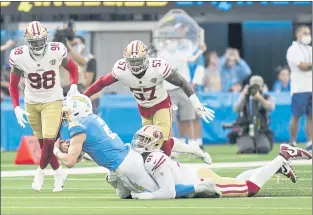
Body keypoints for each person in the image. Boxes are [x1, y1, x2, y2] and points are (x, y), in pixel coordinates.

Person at [84, 40, 213, 163]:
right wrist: (84, 96)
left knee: (163, 145)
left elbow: (181, 82)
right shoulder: (121, 69)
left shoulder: (157, 67)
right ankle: (193, 149)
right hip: (144, 108)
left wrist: (196, 103)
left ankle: (169, 172)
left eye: (138, 61)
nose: (135, 65)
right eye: (132, 61)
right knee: (150, 143)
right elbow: (101, 83)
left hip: (161, 104)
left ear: (146, 58)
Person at [113, 125, 312, 200]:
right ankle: (278, 167)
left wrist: (144, 196)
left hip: (200, 178)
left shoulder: (154, 157)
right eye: (139, 139)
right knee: (235, 181)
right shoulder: (143, 156)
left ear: (154, 143)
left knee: (249, 188)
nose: (139, 143)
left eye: (144, 140)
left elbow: (170, 191)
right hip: (197, 175)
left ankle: (282, 157)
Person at [8, 21, 79, 192]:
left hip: (53, 100)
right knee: (44, 145)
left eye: (41, 41)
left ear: (46, 39)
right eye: (34, 42)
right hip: (31, 101)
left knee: (49, 142)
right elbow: (12, 84)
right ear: (27, 42)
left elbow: (73, 68)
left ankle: (40, 173)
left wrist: (74, 85)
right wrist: (16, 106)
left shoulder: (56, 50)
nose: (38, 45)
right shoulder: (19, 56)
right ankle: (58, 173)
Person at [53, 94, 160, 196]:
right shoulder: (90, 119)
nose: (65, 116)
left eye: (67, 112)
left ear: (77, 111)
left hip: (126, 165)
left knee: (159, 193)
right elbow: (88, 148)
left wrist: (56, 151)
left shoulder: (79, 126)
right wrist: (68, 147)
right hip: (126, 159)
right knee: (123, 194)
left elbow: (70, 162)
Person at [233, 76, 275, 154]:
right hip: (246, 130)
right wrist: (243, 95)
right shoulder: (245, 97)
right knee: (247, 149)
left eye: (258, 87)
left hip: (261, 130)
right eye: (253, 87)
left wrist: (260, 99)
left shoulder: (266, 97)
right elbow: (236, 109)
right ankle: (243, 144)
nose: (255, 90)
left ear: (262, 87)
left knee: (263, 149)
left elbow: (271, 108)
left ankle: (263, 143)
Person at [286, 25, 312, 149]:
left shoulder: (310, 49)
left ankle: (310, 142)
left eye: (309, 33)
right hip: (299, 88)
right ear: (298, 35)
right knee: (296, 116)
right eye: (305, 33)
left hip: (310, 87)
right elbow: (302, 66)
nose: (308, 35)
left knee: (311, 116)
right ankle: (292, 141)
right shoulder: (293, 49)